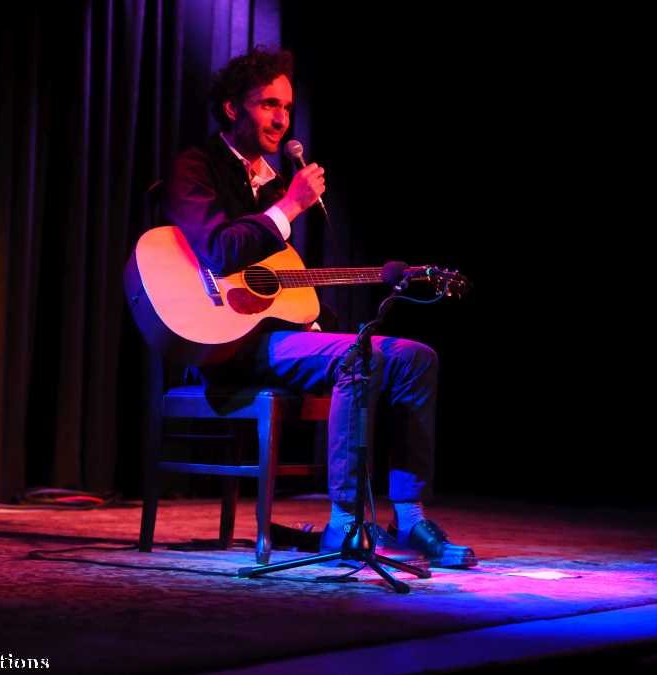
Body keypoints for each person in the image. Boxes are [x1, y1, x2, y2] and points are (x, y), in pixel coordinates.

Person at [161, 47, 476, 569]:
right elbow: (219, 250)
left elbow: (277, 280)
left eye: (287, 107)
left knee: (415, 357)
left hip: (270, 335)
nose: (281, 119)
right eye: (268, 104)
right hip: (223, 345)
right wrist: (289, 206)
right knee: (358, 356)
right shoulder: (196, 167)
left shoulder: (273, 180)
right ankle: (345, 523)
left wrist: (310, 317)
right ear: (232, 108)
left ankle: (410, 517)